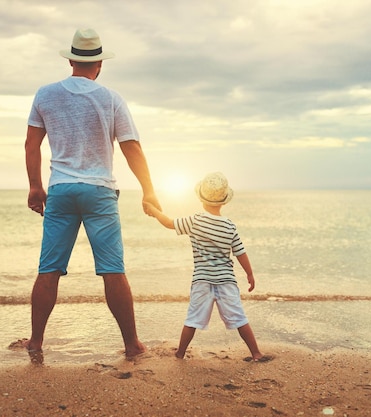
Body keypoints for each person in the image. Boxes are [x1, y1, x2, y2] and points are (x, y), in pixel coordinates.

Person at [22, 27, 161, 364]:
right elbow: (132, 149)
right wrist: (149, 191)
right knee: (113, 270)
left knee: (49, 269)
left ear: (71, 59)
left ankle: (36, 342)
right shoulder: (111, 98)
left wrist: (35, 186)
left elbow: (31, 144)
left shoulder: (45, 94)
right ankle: (132, 345)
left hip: (61, 189)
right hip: (99, 191)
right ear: (99, 64)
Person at [143, 172, 271, 362]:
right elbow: (240, 252)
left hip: (202, 280)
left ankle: (180, 353)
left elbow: (169, 223)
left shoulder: (195, 220)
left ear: (201, 199)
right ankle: (256, 353)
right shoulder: (229, 226)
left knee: (192, 319)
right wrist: (249, 274)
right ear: (224, 201)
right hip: (226, 281)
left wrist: (154, 211)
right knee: (239, 318)